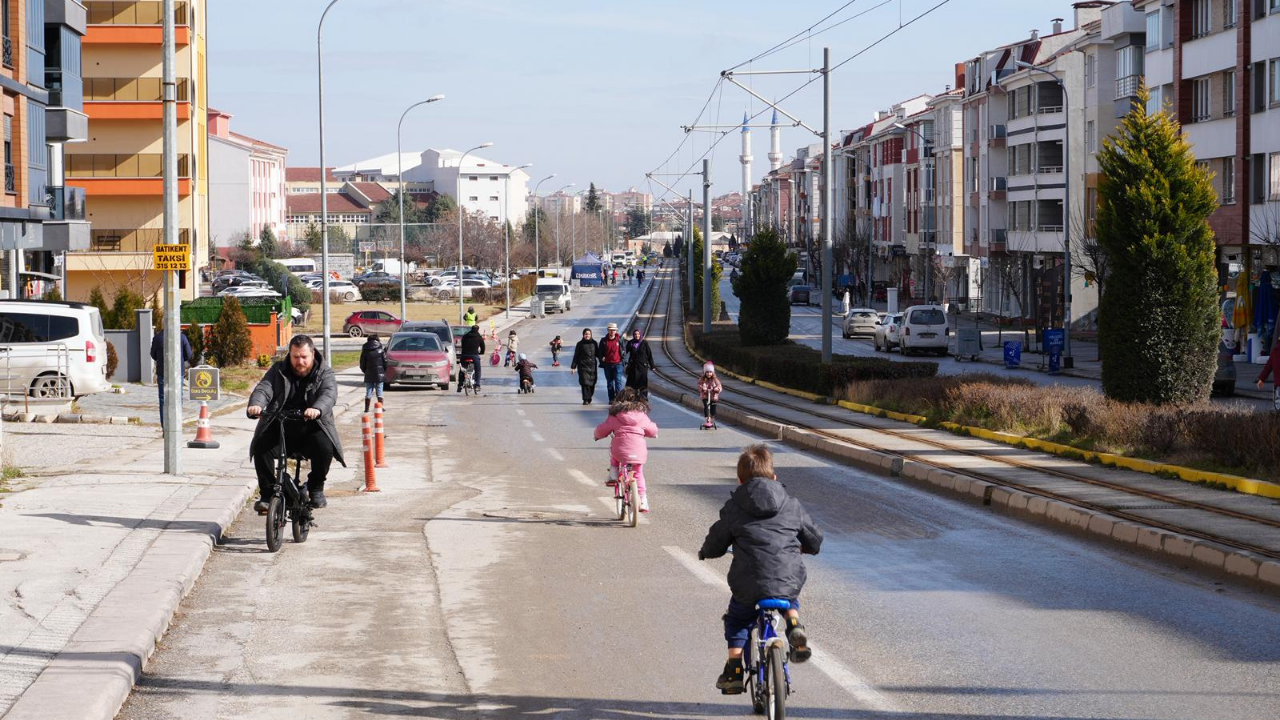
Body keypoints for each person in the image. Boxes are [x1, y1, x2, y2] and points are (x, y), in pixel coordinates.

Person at [699, 444, 822, 694]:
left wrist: (706, 552)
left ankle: (734, 668)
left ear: (740, 479)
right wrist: (806, 548)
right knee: (788, 594)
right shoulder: (791, 504)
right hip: (787, 577)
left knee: (737, 619)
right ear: (774, 477)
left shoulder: (734, 507)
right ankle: (794, 623)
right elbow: (814, 540)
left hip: (748, 584)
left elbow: (716, 541)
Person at [247, 335, 345, 512]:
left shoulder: (325, 372)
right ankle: (268, 494)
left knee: (325, 447)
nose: (300, 361)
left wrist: (317, 409)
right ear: (290, 355)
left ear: (312, 354)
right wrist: (256, 404)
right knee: (260, 445)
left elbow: (329, 394)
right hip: (282, 427)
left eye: (304, 357)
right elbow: (264, 388)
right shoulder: (278, 370)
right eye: (296, 357)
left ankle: (315, 488)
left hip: (312, 427)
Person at [593, 387, 659, 513]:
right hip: (638, 450)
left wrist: (597, 435)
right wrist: (653, 434)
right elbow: (652, 430)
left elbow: (603, 429)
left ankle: (613, 472)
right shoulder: (642, 415)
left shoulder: (615, 415)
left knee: (614, 451)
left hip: (620, 450)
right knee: (638, 473)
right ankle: (643, 500)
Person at [150, 326, 194, 430]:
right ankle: (177, 426)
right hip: (178, 373)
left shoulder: (157, 338)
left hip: (162, 373)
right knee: (178, 399)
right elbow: (188, 355)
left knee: (163, 400)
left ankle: (165, 428)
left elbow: (153, 355)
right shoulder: (182, 337)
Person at [570, 328, 599, 405]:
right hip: (583, 366)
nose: (587, 335)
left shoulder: (594, 343)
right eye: (586, 334)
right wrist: (573, 367)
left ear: (591, 335)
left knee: (592, 383)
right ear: (583, 335)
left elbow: (598, 354)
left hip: (592, 366)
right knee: (585, 383)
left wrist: (604, 359)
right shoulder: (580, 344)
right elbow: (576, 356)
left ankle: (589, 397)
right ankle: (585, 399)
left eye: (589, 334)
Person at [358, 333, 387, 413]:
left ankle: (367, 408)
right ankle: (380, 407)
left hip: (369, 374)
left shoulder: (365, 350)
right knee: (379, 391)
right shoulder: (381, 349)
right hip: (380, 374)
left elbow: (362, 363)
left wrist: (365, 371)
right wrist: (383, 371)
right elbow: (385, 362)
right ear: (377, 340)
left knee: (369, 391)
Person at [598, 322, 626, 403]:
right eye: (610, 330)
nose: (612, 332)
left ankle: (619, 398)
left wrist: (623, 361)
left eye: (613, 330)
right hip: (608, 364)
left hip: (618, 364)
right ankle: (611, 398)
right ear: (608, 330)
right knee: (609, 383)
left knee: (618, 381)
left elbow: (624, 350)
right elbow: (600, 352)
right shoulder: (603, 340)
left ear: (616, 331)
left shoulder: (620, 339)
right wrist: (601, 358)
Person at [624, 329, 655, 398]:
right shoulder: (630, 343)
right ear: (633, 335)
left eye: (638, 334)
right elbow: (625, 352)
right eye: (635, 334)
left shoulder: (644, 343)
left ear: (640, 335)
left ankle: (643, 398)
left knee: (642, 383)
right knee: (631, 383)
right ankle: (631, 397)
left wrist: (652, 366)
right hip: (633, 367)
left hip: (642, 367)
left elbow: (649, 355)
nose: (636, 335)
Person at [458, 324, 485, 393]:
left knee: (462, 369)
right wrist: (481, 352)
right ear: (478, 330)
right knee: (478, 369)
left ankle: (460, 384)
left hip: (464, 355)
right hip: (474, 355)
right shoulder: (479, 337)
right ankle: (477, 385)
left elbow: (462, 345)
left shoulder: (465, 336)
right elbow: (483, 346)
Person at [698, 362, 722, 427]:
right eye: (707, 372)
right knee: (706, 406)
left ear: (712, 373)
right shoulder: (702, 379)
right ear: (705, 373)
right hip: (705, 396)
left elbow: (719, 386)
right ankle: (707, 419)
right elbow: (699, 385)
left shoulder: (715, 379)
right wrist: (703, 388)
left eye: (710, 372)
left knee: (713, 409)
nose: (709, 374)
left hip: (714, 397)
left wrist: (717, 389)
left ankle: (711, 418)